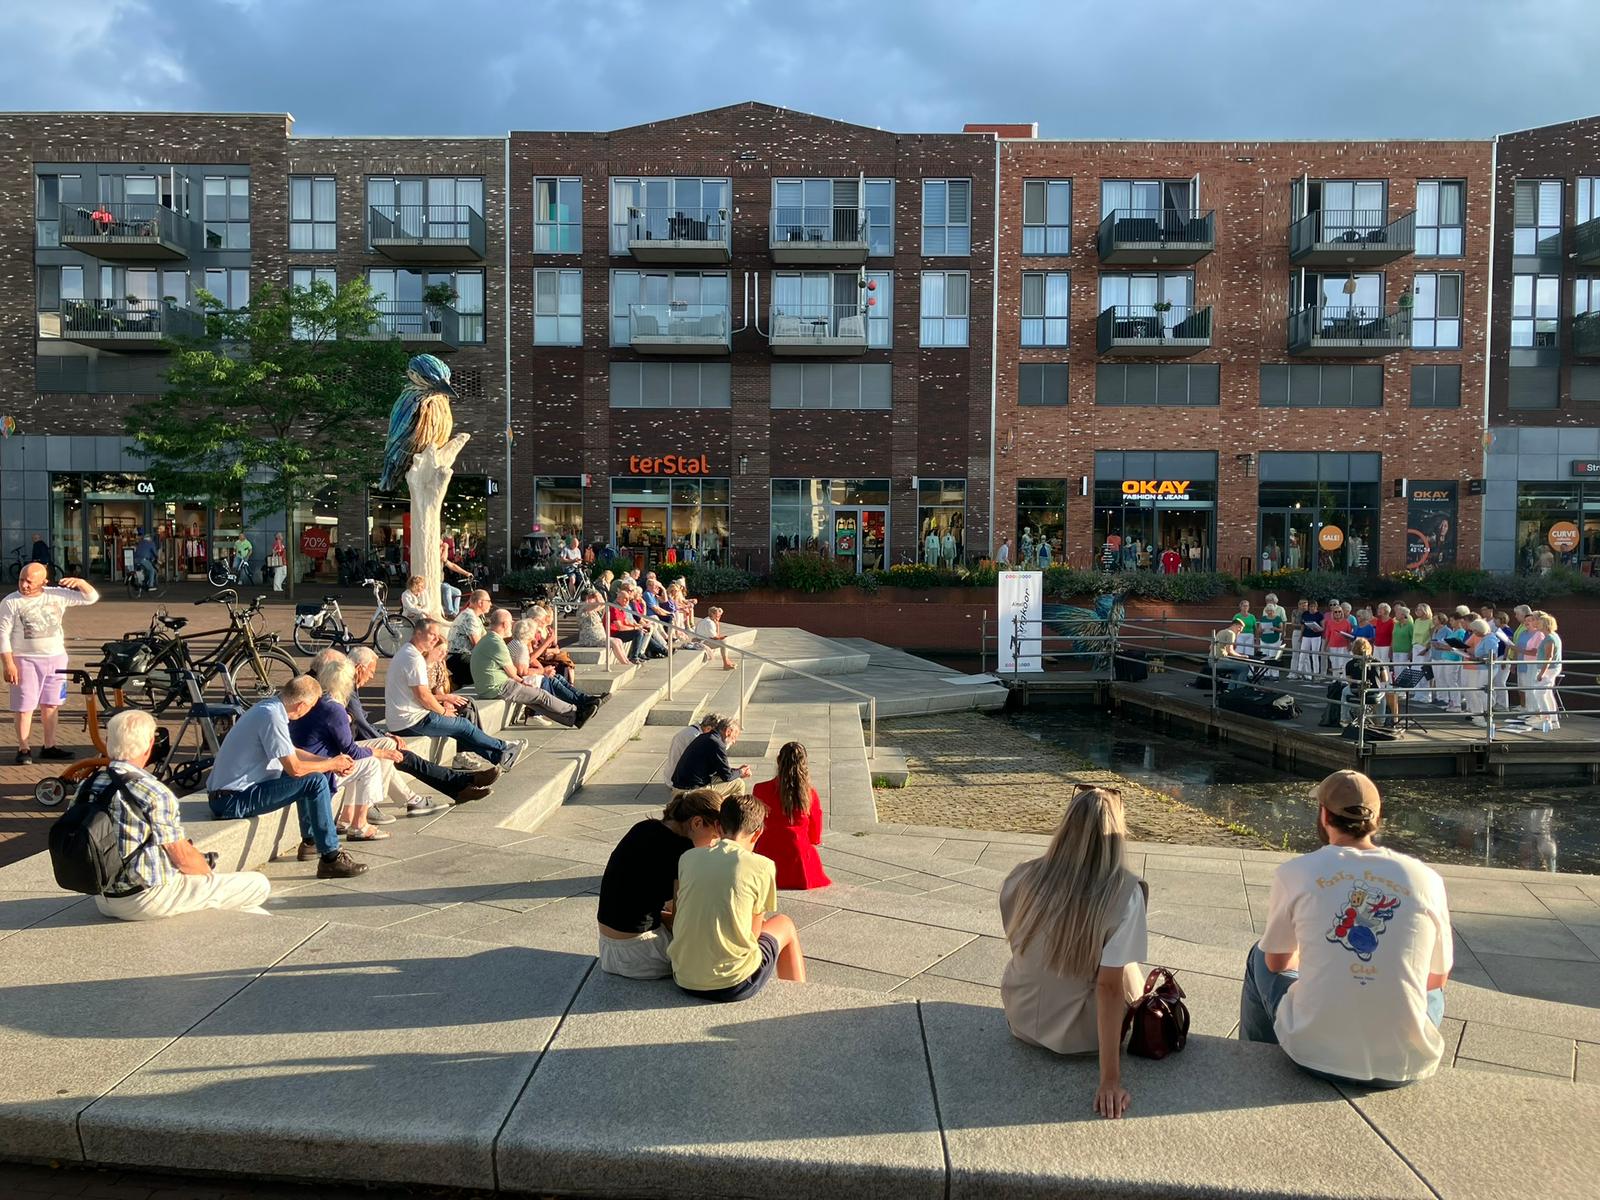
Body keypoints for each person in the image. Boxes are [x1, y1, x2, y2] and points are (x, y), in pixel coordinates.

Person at [1240, 770, 1452, 1088]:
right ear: (1376, 818)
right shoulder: (1426, 879)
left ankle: (1252, 1057)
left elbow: (1277, 963)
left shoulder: (1296, 872)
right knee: (1431, 995)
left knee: (1259, 955)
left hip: (1311, 1055)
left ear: (1324, 815)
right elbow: (1436, 979)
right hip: (1403, 1064)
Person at [999, 784, 1146, 1120]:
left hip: (1021, 1017)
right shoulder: (1125, 894)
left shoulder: (1023, 876)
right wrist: (1110, 1081)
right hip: (1081, 1036)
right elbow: (1108, 988)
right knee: (1125, 966)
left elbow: (1018, 942)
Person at [87, 710, 272, 922]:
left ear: (109, 742)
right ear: (149, 744)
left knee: (248, 909)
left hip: (103, 898)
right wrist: (208, 875)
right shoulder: (154, 792)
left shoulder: (88, 784)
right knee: (257, 885)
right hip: (146, 897)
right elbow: (181, 857)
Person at [206, 675, 369, 879]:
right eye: (311, 707)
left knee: (312, 775)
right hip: (232, 800)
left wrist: (331, 762)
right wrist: (330, 764)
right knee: (315, 780)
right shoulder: (272, 717)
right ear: (301, 706)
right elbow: (296, 770)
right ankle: (330, 857)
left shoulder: (269, 709)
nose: (310, 711)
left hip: (228, 795)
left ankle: (311, 841)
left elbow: (291, 752)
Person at [669, 793, 807, 1001]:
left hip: (684, 977)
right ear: (758, 833)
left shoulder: (688, 858)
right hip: (733, 984)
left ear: (719, 826)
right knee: (784, 924)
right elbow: (753, 935)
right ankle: (799, 1000)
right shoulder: (762, 866)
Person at [333, 647, 493, 809]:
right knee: (403, 756)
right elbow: (362, 726)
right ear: (360, 668)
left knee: (400, 755)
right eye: (371, 671)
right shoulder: (347, 691)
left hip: (354, 743)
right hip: (349, 747)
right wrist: (386, 738)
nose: (372, 676)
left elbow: (364, 724)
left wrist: (385, 734)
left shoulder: (349, 688)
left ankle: (437, 793)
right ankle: (459, 784)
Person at [596, 789, 725, 979]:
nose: (714, 844)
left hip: (608, 949)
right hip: (642, 955)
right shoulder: (683, 852)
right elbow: (682, 922)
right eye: (714, 836)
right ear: (697, 822)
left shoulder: (644, 827)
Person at [386, 619, 523, 771]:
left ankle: (501, 756)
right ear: (418, 633)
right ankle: (504, 747)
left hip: (405, 718)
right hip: (411, 721)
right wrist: (444, 712)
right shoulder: (413, 658)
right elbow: (423, 696)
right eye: (432, 635)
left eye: (438, 635)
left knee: (461, 726)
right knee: (463, 725)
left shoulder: (406, 652)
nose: (436, 639)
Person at [289, 658, 398, 842]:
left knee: (353, 762)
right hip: (319, 768)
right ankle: (360, 825)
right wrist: (379, 753)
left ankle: (347, 818)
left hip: (306, 760)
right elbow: (351, 750)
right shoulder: (334, 708)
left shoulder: (314, 701)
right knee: (370, 764)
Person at [0, 564, 98, 764]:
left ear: (43, 582)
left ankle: (49, 746)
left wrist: (81, 583)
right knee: (24, 706)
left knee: (51, 704)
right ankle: (24, 748)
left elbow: (91, 598)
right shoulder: (11, 602)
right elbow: (3, 634)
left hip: (55, 658)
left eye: (29, 582)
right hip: (25, 659)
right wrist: (8, 663)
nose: (24, 585)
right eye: (21, 580)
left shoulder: (56, 595)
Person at [472, 608, 597, 728]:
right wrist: (524, 681)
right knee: (542, 695)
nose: (512, 625)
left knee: (535, 699)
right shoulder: (496, 643)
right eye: (510, 622)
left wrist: (522, 681)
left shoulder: (488, 639)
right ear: (504, 624)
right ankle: (576, 712)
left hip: (489, 687)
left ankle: (572, 718)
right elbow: (513, 672)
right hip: (498, 687)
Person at [753, 741, 831, 890]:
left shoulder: (760, 789)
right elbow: (815, 835)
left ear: (778, 761)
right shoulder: (810, 794)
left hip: (767, 853)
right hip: (798, 862)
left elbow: (754, 824)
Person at [671, 715, 750, 799]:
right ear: (728, 732)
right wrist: (741, 772)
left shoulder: (704, 737)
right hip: (691, 792)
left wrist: (737, 771)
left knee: (726, 782)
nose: (734, 742)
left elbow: (722, 771)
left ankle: (719, 804)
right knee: (738, 784)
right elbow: (727, 776)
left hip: (678, 787)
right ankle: (734, 807)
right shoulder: (717, 744)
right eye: (734, 737)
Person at [1340, 637, 1399, 729]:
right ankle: (1380, 721)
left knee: (1344, 691)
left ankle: (1345, 719)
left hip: (1356, 691)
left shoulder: (1350, 664)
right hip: (1373, 691)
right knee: (1383, 695)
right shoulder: (1377, 661)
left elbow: (1350, 681)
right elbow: (1385, 679)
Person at [446, 589, 492, 688]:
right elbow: (478, 644)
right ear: (480, 602)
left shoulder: (475, 617)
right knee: (490, 668)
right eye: (488, 601)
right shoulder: (469, 617)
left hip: (461, 656)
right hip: (459, 657)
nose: (491, 604)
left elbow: (486, 639)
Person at [577, 586, 631, 669]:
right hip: (590, 639)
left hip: (599, 637)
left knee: (618, 640)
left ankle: (626, 660)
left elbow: (602, 604)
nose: (595, 600)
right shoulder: (583, 607)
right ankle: (624, 663)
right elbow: (601, 603)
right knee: (614, 643)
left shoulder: (592, 609)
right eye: (594, 598)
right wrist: (596, 593)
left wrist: (597, 595)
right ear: (588, 598)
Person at [1527, 610, 1563, 733]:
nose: (1537, 624)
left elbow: (1549, 656)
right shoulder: (1552, 636)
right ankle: (1553, 720)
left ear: (1545, 625)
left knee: (1539, 693)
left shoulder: (1549, 638)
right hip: (1552, 668)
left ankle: (1546, 720)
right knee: (1547, 694)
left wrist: (1541, 673)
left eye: (1540, 623)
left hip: (1549, 669)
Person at [1210, 617, 1250, 693]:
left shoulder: (1221, 631)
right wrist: (1241, 656)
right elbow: (1230, 650)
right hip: (1219, 661)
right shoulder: (1231, 633)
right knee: (1245, 668)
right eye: (1239, 628)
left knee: (1236, 669)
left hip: (1212, 660)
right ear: (1234, 625)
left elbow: (1211, 647)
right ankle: (1240, 691)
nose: (1239, 631)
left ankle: (1230, 690)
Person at [696, 605, 735, 670]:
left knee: (723, 640)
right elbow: (715, 637)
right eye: (718, 614)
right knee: (724, 642)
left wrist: (717, 623)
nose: (719, 616)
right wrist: (717, 624)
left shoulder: (706, 620)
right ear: (712, 614)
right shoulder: (709, 623)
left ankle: (727, 661)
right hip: (702, 642)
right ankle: (725, 663)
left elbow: (716, 636)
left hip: (703, 640)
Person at [1409, 604, 1435, 704]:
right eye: (1416, 609)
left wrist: (1427, 648)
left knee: (1424, 671)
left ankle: (1426, 695)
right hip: (1415, 646)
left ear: (1425, 611)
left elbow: (1432, 637)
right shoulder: (1417, 621)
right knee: (1415, 670)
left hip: (1424, 648)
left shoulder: (1430, 622)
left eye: (1419, 609)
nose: (1417, 611)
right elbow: (1414, 636)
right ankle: (1418, 694)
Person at [440, 539, 472, 616]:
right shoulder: (438, 556)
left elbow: (453, 566)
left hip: (441, 582)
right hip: (435, 583)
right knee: (447, 588)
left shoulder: (442, 559)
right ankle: (450, 612)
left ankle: (455, 613)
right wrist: (446, 547)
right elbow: (444, 558)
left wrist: (466, 573)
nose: (442, 549)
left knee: (457, 592)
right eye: (441, 547)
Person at [1324, 602, 1354, 681]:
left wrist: (1350, 645)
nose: (1337, 613)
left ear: (1342, 613)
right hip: (1333, 646)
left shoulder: (1346, 622)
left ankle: (1343, 680)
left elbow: (1350, 635)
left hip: (1343, 646)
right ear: (1333, 613)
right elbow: (1327, 635)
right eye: (1335, 612)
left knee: (1343, 664)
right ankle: (1335, 680)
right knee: (1334, 664)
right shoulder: (1330, 622)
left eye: (1339, 611)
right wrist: (1325, 646)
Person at [1295, 600, 1324, 680]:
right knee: (1303, 653)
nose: (1312, 608)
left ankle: (1316, 674)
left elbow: (1323, 627)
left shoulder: (1319, 615)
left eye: (1314, 606)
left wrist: (1318, 629)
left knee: (1315, 655)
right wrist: (1301, 635)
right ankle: (1299, 671)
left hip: (1316, 636)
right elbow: (1303, 625)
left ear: (1316, 607)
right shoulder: (1305, 614)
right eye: (1311, 606)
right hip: (1306, 635)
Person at [1257, 597, 1285, 678]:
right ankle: (1265, 673)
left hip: (1274, 639)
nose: (1269, 612)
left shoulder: (1278, 618)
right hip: (1264, 639)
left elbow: (1281, 629)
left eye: (1271, 611)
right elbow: (1259, 630)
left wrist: (1275, 629)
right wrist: (1261, 630)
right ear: (1266, 611)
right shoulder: (1263, 618)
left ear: (1274, 611)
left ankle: (1274, 674)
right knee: (1265, 656)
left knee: (1273, 656)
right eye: (1268, 611)